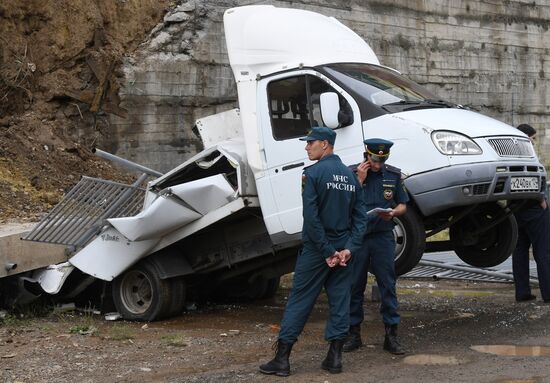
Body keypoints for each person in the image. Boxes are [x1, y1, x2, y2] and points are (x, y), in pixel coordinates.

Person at [259, 127, 367, 376]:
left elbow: (312, 217)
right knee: (340, 301)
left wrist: (327, 251)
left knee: (300, 300)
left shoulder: (313, 173)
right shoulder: (351, 177)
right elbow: (361, 219)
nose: (306, 147)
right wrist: (347, 249)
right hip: (343, 252)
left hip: (319, 251)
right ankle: (335, 359)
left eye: (310, 143)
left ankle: (282, 360)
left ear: (325, 144)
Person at [344, 138, 408, 355]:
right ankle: (354, 335)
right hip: (358, 239)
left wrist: (394, 212)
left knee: (387, 285)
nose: (378, 164)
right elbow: (343, 203)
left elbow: (402, 203)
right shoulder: (352, 173)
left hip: (382, 237)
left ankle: (391, 336)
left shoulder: (393, 175)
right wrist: (359, 181)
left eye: (382, 160)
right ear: (366, 155)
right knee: (355, 286)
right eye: (374, 159)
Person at [511, 124, 550, 303]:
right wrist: (541, 198)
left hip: (514, 209)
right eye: (532, 138)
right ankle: (548, 293)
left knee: (519, 251)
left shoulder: (506, 154)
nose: (534, 142)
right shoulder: (526, 154)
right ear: (526, 137)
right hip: (533, 208)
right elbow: (533, 178)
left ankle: (522, 292)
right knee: (543, 252)